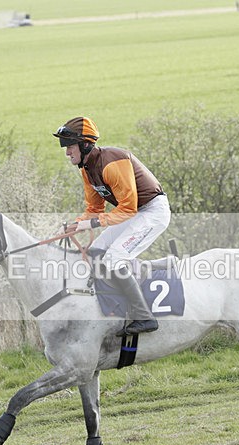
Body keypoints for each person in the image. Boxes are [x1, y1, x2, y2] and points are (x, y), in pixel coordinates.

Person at [53, 116, 171, 336]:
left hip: (152, 212)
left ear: (85, 144)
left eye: (69, 146)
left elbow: (127, 208)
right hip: (134, 213)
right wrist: (75, 225)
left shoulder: (113, 162)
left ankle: (144, 317)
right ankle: (119, 301)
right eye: (65, 147)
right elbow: (94, 209)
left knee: (114, 259)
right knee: (94, 252)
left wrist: (89, 224)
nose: (67, 152)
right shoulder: (86, 170)